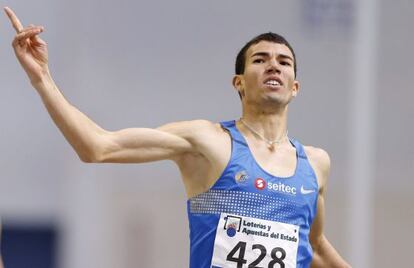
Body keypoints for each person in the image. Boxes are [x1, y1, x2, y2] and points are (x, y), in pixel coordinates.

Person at [4, 6, 350, 268]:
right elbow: (97, 146)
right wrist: (42, 78)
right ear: (239, 83)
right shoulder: (207, 141)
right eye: (260, 60)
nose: (274, 66)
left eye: (284, 62)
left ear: (295, 87)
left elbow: (314, 244)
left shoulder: (316, 164)